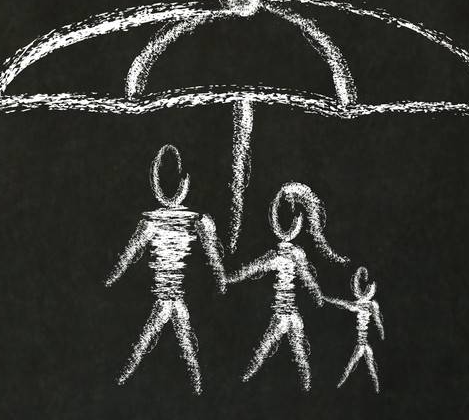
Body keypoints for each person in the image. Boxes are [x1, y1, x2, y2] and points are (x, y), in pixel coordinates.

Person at [104, 143, 227, 392]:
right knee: (173, 340)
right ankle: (196, 385)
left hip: (168, 295)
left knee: (153, 339)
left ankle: (130, 378)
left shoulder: (154, 223)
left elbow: (128, 257)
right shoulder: (197, 221)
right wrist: (221, 278)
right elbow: (214, 259)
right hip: (172, 296)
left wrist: (113, 277)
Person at [226, 181, 347, 391]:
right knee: (291, 351)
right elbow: (307, 278)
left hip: (286, 314)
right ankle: (303, 383)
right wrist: (317, 294)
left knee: (273, 349)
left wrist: (233, 278)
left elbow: (254, 269)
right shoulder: (295, 255)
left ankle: (255, 377)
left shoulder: (284, 256)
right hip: (290, 314)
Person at [325, 265, 385, 391]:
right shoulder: (365, 305)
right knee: (358, 363)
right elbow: (341, 303)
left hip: (362, 342)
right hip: (362, 342)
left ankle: (375, 385)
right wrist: (381, 332)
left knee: (357, 363)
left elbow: (341, 303)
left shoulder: (366, 305)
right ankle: (374, 385)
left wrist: (381, 332)